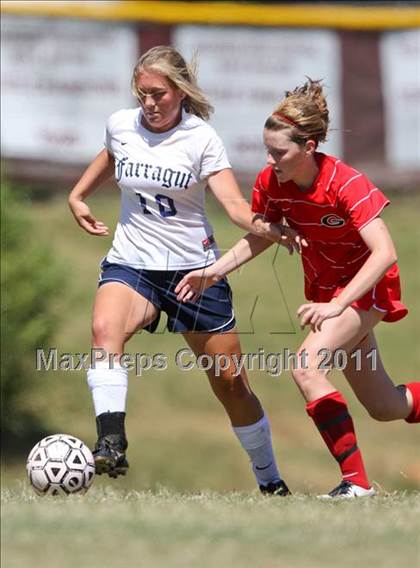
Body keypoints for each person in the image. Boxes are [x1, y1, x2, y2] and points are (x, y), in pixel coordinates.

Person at [175, 78, 420, 499]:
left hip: (365, 289)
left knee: (307, 366)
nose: (270, 161)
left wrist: (337, 305)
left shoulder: (346, 183)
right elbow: (260, 235)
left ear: (309, 147)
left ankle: (357, 485)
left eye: (279, 152)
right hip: (332, 295)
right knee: (385, 407)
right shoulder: (273, 184)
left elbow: (385, 253)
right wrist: (213, 272)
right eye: (267, 151)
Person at [68, 45, 296, 495]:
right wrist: (78, 194)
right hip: (132, 261)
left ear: (181, 91)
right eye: (142, 95)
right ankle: (111, 441)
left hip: (195, 271)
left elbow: (233, 205)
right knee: (103, 329)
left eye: (158, 94)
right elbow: (113, 154)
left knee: (231, 386)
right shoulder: (121, 124)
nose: (149, 104)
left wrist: (266, 226)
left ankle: (270, 480)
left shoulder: (201, 138)